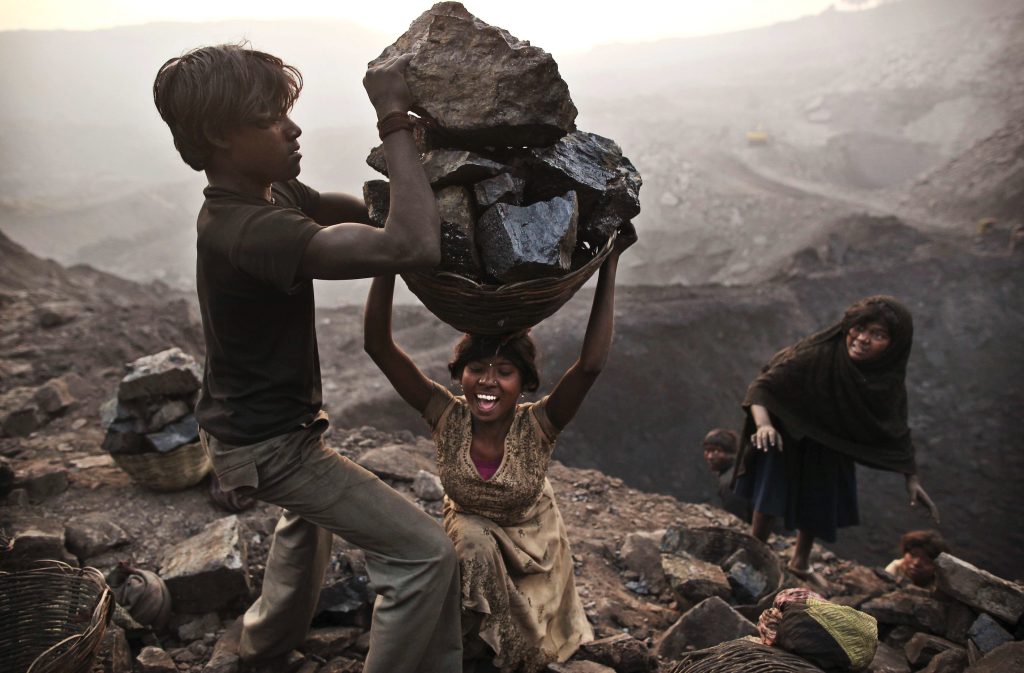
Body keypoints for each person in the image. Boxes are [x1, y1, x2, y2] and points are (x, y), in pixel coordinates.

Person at [152, 44, 461, 673]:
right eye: (271, 119)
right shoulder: (248, 231)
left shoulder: (269, 194)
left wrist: (419, 191)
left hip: (255, 427)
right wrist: (395, 119)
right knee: (426, 555)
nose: (293, 128)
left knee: (305, 524)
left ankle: (262, 647)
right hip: (269, 446)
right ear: (219, 136)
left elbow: (356, 217)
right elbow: (412, 246)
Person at [363, 232, 635, 672]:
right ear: (460, 375)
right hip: (471, 541)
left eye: (504, 372)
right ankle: (465, 646)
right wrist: (392, 254)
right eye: (476, 369)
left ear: (524, 383)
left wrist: (610, 264)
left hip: (533, 545)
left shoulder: (539, 425)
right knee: (470, 543)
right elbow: (378, 345)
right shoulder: (445, 416)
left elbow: (590, 365)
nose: (487, 381)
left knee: (531, 653)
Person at [733, 295, 940, 589]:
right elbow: (762, 387)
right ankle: (754, 553)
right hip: (787, 430)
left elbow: (895, 427)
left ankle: (801, 562)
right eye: (859, 328)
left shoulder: (886, 379)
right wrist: (764, 425)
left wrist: (911, 477)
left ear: (894, 345)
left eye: (878, 335)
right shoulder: (818, 354)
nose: (863, 339)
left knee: (820, 498)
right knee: (771, 496)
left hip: (831, 440)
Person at [700, 428, 751, 521]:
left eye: (716, 451)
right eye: (707, 450)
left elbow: (738, 521)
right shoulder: (737, 470)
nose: (710, 457)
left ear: (731, 453)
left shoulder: (730, 481)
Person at [885, 529, 950, 588]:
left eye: (926, 560)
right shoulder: (895, 568)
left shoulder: (942, 586)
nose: (916, 563)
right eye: (913, 555)